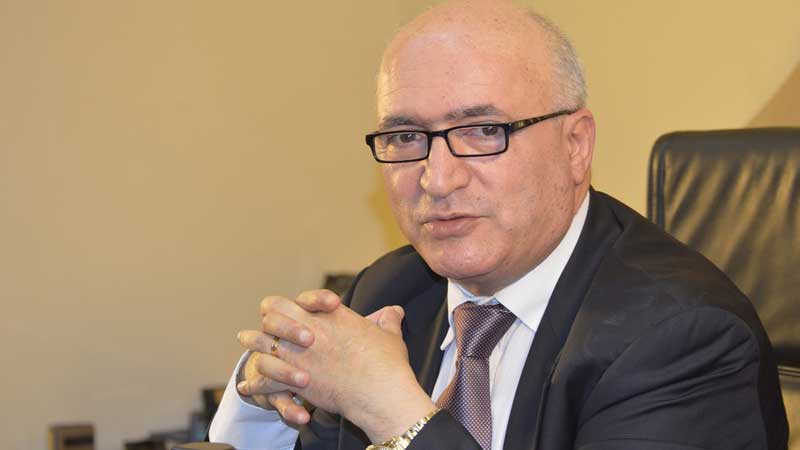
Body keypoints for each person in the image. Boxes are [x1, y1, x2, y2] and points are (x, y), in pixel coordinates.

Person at [209, 1, 789, 449]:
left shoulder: (682, 339)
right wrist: (268, 399)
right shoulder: (388, 292)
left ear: (575, 145)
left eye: (484, 131)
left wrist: (393, 410)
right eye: (406, 137)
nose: (438, 179)